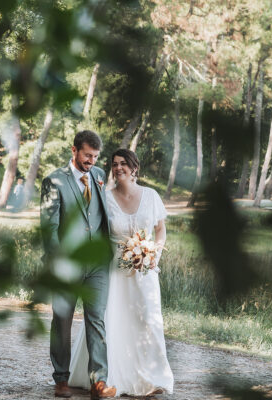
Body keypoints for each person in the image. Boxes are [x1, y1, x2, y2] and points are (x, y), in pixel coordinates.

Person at [68, 148, 174, 397]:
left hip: (146, 270)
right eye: (114, 164)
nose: (118, 168)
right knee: (112, 319)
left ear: (134, 167)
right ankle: (108, 378)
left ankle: (151, 377)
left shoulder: (151, 196)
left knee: (148, 318)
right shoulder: (105, 198)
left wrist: (153, 254)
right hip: (114, 270)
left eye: (123, 163)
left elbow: (160, 230)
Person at [40, 130, 116, 399]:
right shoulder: (54, 181)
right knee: (62, 320)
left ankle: (99, 381)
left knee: (96, 320)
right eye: (87, 155)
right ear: (74, 150)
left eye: (95, 156)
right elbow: (48, 228)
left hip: (97, 264)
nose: (91, 161)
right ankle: (61, 379)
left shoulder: (99, 176)